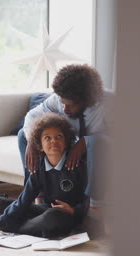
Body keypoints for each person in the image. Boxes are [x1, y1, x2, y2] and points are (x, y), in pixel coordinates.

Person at [0, 113, 88, 238]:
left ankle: (18, 227)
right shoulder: (39, 167)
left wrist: (74, 210)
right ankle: (40, 228)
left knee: (52, 216)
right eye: (47, 138)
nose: (54, 141)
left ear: (66, 142)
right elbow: (24, 200)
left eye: (59, 137)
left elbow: (92, 199)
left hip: (70, 215)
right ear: (40, 146)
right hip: (46, 210)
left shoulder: (77, 165)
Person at [18, 64, 106, 201]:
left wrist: (86, 142)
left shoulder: (111, 104)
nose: (64, 109)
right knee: (23, 135)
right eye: (62, 103)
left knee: (96, 144)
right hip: (69, 143)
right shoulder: (58, 99)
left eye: (70, 105)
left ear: (86, 100)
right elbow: (32, 116)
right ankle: (36, 193)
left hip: (97, 148)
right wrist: (32, 141)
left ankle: (93, 201)